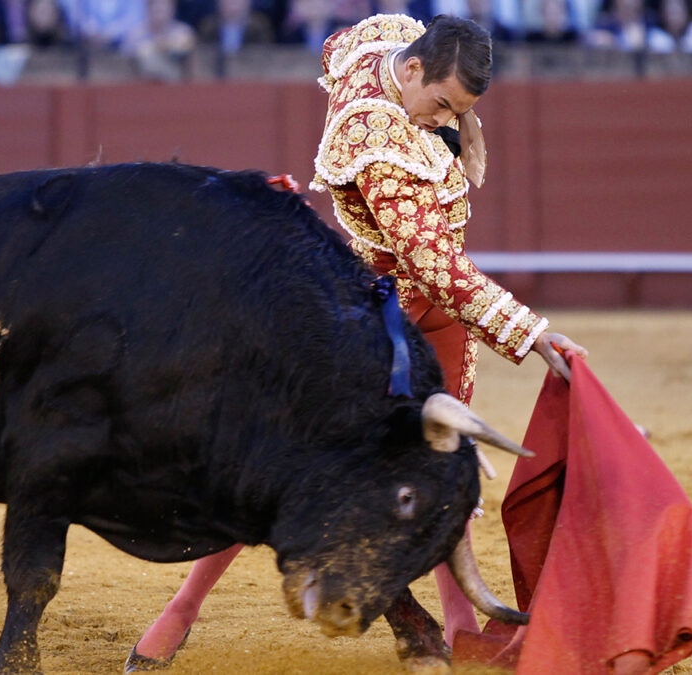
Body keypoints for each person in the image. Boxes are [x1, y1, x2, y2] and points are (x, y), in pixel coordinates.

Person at [124, 12, 594, 673]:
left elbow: (341, 41)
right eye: (440, 105)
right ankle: (183, 607)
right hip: (380, 322)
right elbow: (433, 265)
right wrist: (534, 334)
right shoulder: (374, 137)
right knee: (283, 462)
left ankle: (458, 622)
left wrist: (464, 123)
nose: (440, 121)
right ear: (410, 73)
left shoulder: (385, 41)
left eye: (455, 110)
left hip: (441, 315)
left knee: (443, 459)